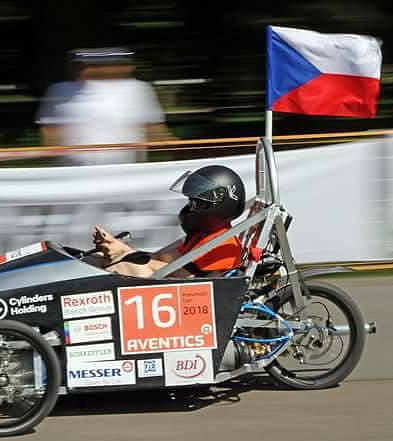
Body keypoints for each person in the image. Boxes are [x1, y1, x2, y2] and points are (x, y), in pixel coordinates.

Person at [91, 165, 246, 278]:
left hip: (189, 298)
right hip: (175, 289)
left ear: (219, 204)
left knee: (126, 267)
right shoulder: (204, 236)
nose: (190, 208)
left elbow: (173, 274)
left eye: (196, 203)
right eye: (190, 202)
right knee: (97, 258)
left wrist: (124, 255)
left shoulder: (222, 245)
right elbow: (162, 258)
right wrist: (120, 249)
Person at [35, 47, 174, 166]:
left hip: (127, 172)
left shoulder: (139, 89)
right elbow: (50, 132)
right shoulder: (60, 90)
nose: (88, 69)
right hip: (76, 172)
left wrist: (175, 150)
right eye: (84, 65)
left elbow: (154, 129)